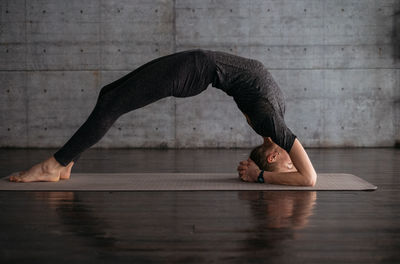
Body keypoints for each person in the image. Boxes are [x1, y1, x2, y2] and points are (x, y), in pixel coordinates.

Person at [8, 49, 317, 186]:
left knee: (111, 100)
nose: (293, 164)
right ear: (275, 153)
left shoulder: (272, 118)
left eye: (288, 165)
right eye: (290, 163)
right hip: (194, 68)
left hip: (195, 65)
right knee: (109, 97)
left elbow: (300, 176)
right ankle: (62, 163)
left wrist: (260, 173)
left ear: (273, 152)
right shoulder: (271, 123)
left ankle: (58, 164)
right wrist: (261, 176)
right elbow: (310, 179)